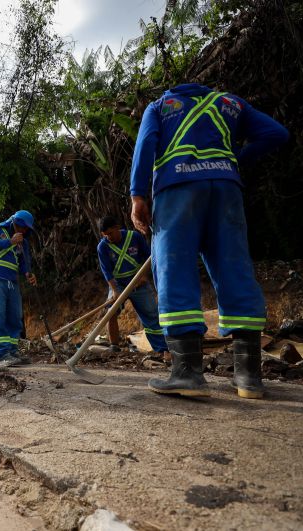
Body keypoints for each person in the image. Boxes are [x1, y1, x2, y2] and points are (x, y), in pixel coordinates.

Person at [130, 83, 288, 398]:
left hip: (177, 190)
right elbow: (277, 134)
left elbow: (145, 146)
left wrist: (137, 196)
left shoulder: (161, 107)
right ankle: (248, 379)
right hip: (225, 190)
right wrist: (235, 160)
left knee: (174, 271)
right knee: (235, 269)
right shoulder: (231, 103)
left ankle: (187, 373)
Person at [97, 216, 168, 356]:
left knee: (151, 314)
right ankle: (114, 346)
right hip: (118, 284)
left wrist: (144, 277)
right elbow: (107, 272)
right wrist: (115, 291)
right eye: (106, 235)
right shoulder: (103, 247)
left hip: (138, 282)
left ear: (117, 227)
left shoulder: (134, 237)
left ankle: (162, 348)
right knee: (110, 312)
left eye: (111, 233)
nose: (109, 237)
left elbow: (149, 258)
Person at [0, 210, 37, 367]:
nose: (24, 231)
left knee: (15, 316)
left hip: (12, 280)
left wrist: (28, 273)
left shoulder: (23, 242)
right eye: (22, 227)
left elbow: (24, 262)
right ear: (14, 222)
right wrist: (9, 242)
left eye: (27, 229)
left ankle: (13, 351)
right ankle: (2, 353)